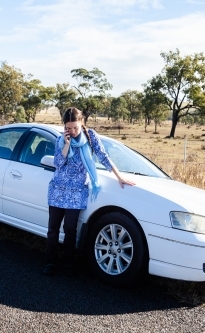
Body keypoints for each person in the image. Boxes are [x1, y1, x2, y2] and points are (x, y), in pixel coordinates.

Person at [43, 107, 136, 277]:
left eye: (75, 128)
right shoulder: (60, 140)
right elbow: (58, 163)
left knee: (70, 229)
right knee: (53, 229)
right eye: (68, 128)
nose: (72, 131)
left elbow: (103, 156)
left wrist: (119, 177)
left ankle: (68, 263)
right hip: (57, 189)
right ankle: (50, 262)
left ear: (82, 123)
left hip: (77, 191)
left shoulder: (91, 137)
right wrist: (66, 144)